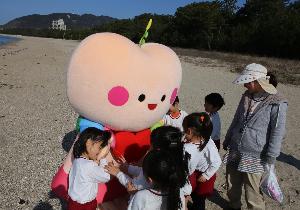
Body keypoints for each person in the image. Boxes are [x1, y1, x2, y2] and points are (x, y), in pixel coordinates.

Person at [223, 63, 288, 210]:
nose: (245, 85)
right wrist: (228, 138)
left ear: (257, 81)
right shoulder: (246, 96)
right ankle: (234, 206)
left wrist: (271, 156)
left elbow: (277, 132)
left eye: (247, 81)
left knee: (253, 192)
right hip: (235, 149)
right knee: (232, 185)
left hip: (256, 154)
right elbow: (236, 119)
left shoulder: (277, 102)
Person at [105, 126, 191, 198]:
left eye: (151, 146)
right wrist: (129, 168)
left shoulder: (153, 167)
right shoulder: (177, 162)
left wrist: (118, 173)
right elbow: (142, 172)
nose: (149, 148)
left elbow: (133, 186)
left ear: (157, 149)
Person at [182, 112, 222, 210]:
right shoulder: (189, 140)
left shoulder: (208, 143)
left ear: (190, 131)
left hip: (204, 174)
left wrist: (206, 175)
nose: (183, 133)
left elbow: (217, 162)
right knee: (191, 192)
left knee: (200, 197)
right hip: (194, 172)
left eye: (184, 130)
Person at [68, 127, 113, 210]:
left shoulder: (78, 160)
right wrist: (102, 158)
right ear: (88, 143)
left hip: (73, 202)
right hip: (84, 205)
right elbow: (106, 177)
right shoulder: (88, 165)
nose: (100, 151)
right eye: (99, 147)